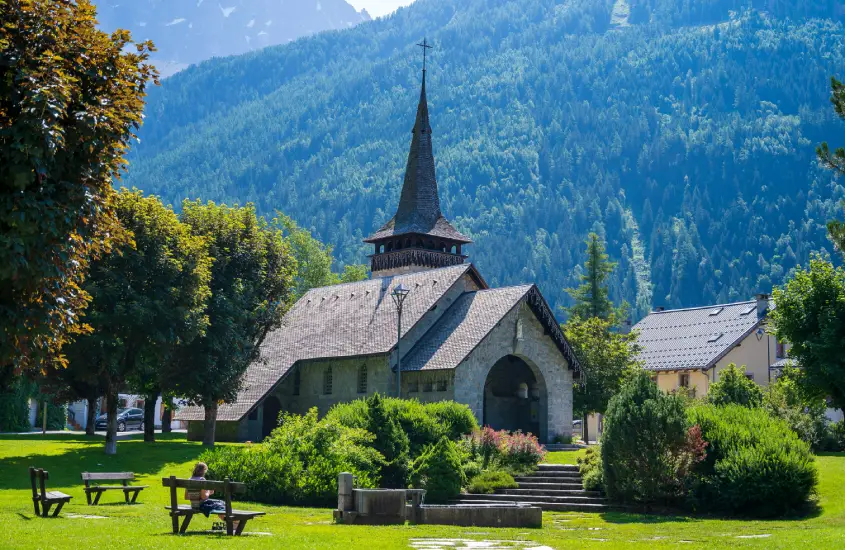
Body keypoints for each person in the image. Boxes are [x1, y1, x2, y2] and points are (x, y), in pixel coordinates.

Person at [185, 462, 238, 530]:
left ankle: (232, 523)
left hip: (194, 504)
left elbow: (186, 497)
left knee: (220, 503)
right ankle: (234, 522)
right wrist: (209, 492)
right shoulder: (202, 480)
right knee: (220, 504)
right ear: (204, 471)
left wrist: (195, 495)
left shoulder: (189, 479)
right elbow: (204, 497)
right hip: (201, 504)